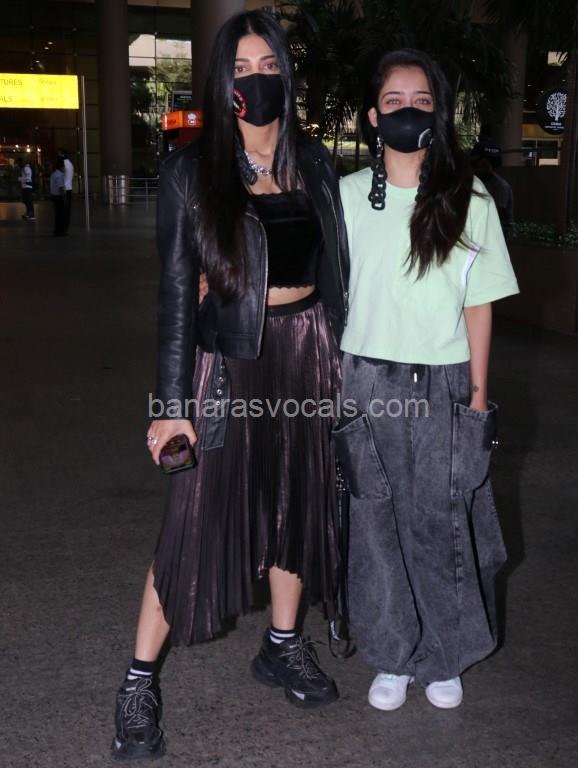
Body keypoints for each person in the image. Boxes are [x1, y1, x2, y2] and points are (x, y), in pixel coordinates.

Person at [111, 11, 349, 762]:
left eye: (268, 65)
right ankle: (138, 682)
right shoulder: (192, 173)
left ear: (286, 72)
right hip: (230, 362)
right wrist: (171, 407)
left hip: (309, 350)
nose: (257, 79)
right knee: (193, 515)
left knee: (296, 500)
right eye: (241, 70)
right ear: (222, 83)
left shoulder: (316, 164)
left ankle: (281, 644)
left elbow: (340, 272)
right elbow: (176, 297)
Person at [333, 49, 519, 713]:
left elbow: (480, 305)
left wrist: (477, 395)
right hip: (364, 382)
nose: (406, 111)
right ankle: (392, 655)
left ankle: (444, 656)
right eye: (393, 101)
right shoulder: (345, 197)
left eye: (420, 100)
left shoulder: (471, 199)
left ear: (438, 113)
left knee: (443, 522)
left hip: (444, 382)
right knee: (375, 521)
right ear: (371, 116)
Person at [471, 139, 514, 237]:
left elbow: (496, 213)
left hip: (498, 229)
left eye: (482, 164)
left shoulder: (500, 186)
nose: (476, 169)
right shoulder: (477, 183)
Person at [49, 158, 66, 236]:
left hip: (54, 196)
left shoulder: (53, 174)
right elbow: (61, 187)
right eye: (64, 166)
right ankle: (60, 231)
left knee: (57, 214)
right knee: (61, 215)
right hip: (58, 197)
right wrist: (64, 197)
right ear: (61, 167)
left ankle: (57, 230)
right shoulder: (60, 175)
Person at [59, 148, 74, 233]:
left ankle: (63, 226)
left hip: (63, 189)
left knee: (62, 209)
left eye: (59, 154)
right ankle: (66, 226)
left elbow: (61, 177)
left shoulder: (62, 164)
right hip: (69, 188)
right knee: (67, 209)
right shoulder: (70, 164)